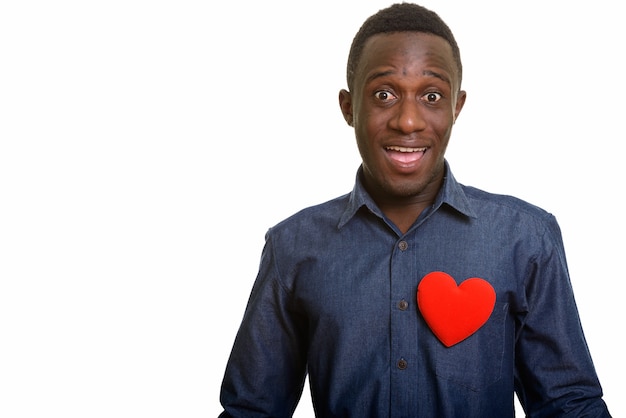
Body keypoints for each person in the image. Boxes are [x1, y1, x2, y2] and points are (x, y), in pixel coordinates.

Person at [218, 3, 611, 417]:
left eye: (432, 96)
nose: (408, 121)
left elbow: (569, 405)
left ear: (456, 107)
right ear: (349, 107)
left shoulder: (526, 237)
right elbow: (252, 410)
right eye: (384, 94)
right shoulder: (293, 247)